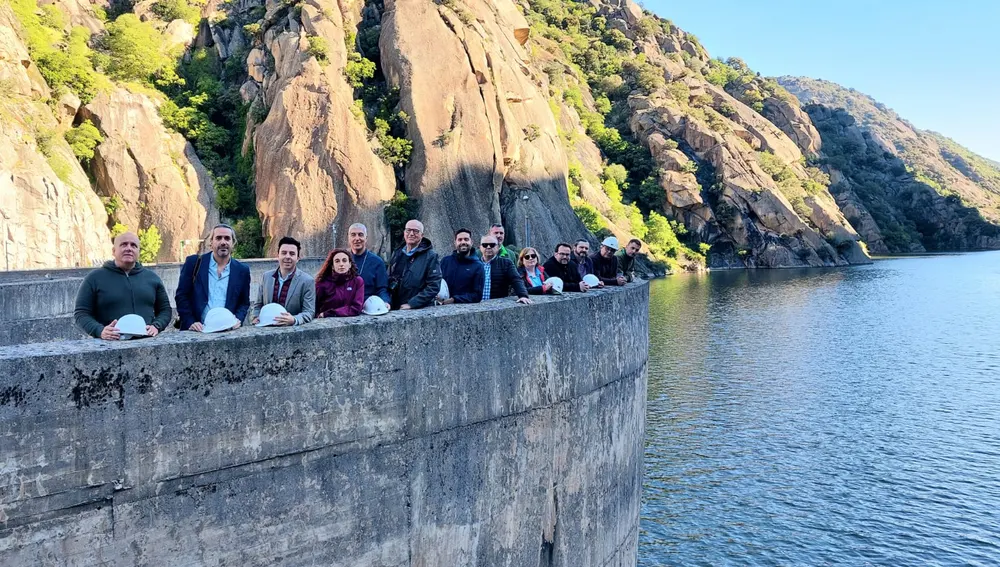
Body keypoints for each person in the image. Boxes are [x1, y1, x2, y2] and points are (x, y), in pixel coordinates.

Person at [74, 231, 172, 340]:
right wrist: (100, 330)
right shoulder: (94, 278)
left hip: (148, 345)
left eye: (133, 245)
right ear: (114, 250)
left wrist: (156, 326)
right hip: (110, 346)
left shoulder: (152, 278)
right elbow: (81, 313)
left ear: (138, 251)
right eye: (124, 244)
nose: (129, 248)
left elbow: (165, 310)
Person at [176, 224, 251, 332]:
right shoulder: (193, 263)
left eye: (227, 238)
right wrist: (190, 322)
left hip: (228, 330)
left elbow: (244, 302)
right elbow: (181, 296)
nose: (223, 242)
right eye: (218, 238)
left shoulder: (242, 270)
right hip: (197, 330)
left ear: (233, 243)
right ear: (211, 242)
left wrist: (238, 319)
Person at [250, 236, 315, 326]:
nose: (287, 257)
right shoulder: (266, 277)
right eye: (284, 253)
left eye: (292, 254)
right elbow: (258, 304)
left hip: (291, 332)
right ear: (278, 255)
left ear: (298, 258)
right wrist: (255, 317)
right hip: (266, 329)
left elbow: (309, 311)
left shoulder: (307, 281)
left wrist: (294, 320)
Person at [388, 219, 441, 310]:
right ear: (404, 232)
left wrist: (412, 304)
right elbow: (388, 277)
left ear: (422, 235)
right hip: (395, 307)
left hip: (418, 309)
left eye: (416, 231)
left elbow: (434, 286)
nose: (411, 234)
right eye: (408, 230)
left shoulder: (431, 256)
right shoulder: (397, 253)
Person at [348, 223, 391, 306]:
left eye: (360, 235)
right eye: (353, 235)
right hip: (345, 307)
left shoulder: (377, 262)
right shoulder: (342, 260)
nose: (357, 238)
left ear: (366, 238)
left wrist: (385, 302)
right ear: (349, 238)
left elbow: (382, 289)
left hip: (369, 307)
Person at [480, 235, 531, 304]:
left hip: (496, 305)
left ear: (498, 247)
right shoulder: (474, 263)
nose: (488, 247)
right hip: (477, 304)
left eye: (492, 245)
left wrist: (523, 295)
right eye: (485, 245)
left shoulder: (506, 263)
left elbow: (516, 279)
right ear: (480, 247)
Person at [439, 228, 485, 304]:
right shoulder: (445, 261)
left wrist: (454, 299)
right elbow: (437, 283)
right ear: (455, 243)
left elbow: (477, 295)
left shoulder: (478, 266)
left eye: (466, 239)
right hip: (442, 308)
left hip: (465, 311)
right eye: (460, 240)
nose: (463, 242)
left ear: (471, 242)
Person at [314, 249, 364, 317]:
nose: (341, 264)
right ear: (332, 266)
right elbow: (314, 307)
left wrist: (330, 313)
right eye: (337, 261)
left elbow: (356, 308)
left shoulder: (358, 281)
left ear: (349, 264)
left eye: (344, 260)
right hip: (326, 323)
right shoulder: (322, 283)